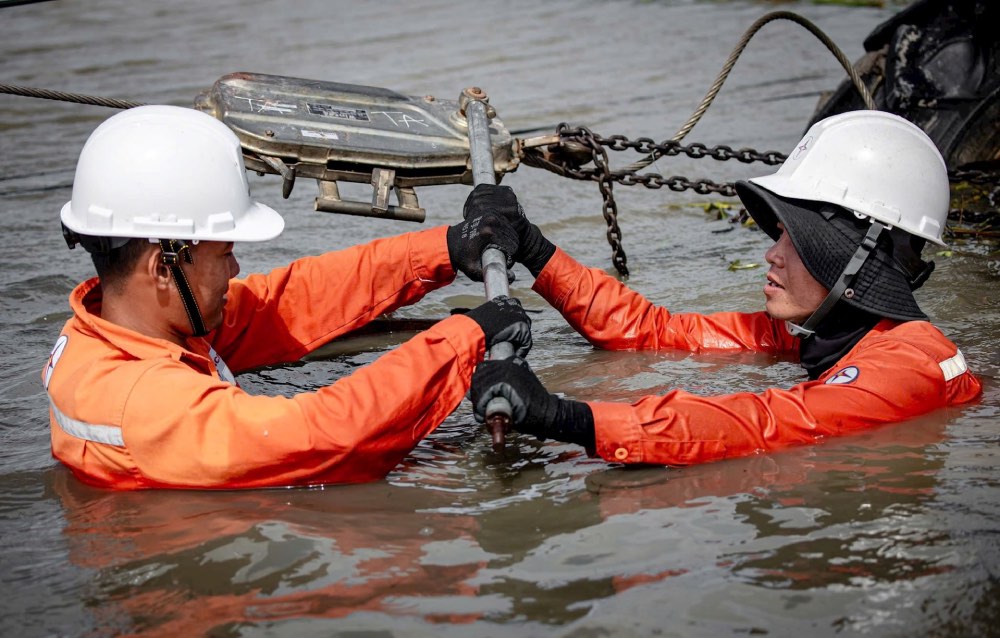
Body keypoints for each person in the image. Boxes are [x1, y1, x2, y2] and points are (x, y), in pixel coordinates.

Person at [43, 104, 532, 489]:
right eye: (226, 253)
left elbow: (289, 302)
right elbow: (324, 436)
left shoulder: (128, 325)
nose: (236, 269)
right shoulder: (143, 404)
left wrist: (445, 248)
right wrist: (464, 339)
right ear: (162, 268)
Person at [467, 110, 982, 465]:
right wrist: (533, 246)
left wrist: (565, 418)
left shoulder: (907, 368)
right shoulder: (829, 330)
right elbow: (656, 331)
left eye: (798, 239)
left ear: (857, 257)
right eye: (779, 234)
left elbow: (760, 424)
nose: (772, 254)